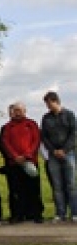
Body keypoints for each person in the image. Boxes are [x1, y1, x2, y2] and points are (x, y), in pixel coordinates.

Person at [0, 102, 44, 223]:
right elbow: (5, 142)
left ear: (25, 111)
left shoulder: (31, 124)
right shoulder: (8, 127)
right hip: (14, 163)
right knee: (16, 190)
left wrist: (27, 155)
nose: (17, 113)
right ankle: (18, 215)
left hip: (30, 162)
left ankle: (36, 214)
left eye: (20, 110)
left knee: (34, 189)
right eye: (15, 110)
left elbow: (36, 140)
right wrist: (15, 156)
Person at [41, 91, 77, 223]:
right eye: (46, 104)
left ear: (55, 101)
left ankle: (74, 213)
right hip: (53, 155)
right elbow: (44, 136)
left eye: (49, 103)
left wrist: (65, 149)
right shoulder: (46, 118)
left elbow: (73, 134)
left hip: (69, 153)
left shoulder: (69, 115)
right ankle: (60, 213)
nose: (48, 107)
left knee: (71, 184)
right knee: (57, 185)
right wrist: (53, 150)